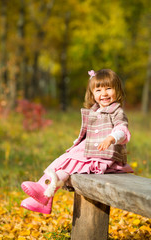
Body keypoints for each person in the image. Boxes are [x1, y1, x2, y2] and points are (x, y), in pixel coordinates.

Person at [21, 69, 133, 214]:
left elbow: (122, 129)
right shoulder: (95, 111)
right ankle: (44, 196)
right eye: (98, 90)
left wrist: (112, 138)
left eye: (108, 88)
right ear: (92, 94)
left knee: (68, 160)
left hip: (104, 157)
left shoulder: (117, 112)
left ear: (117, 90)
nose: (104, 94)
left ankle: (43, 191)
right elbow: (90, 133)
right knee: (63, 164)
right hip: (91, 153)